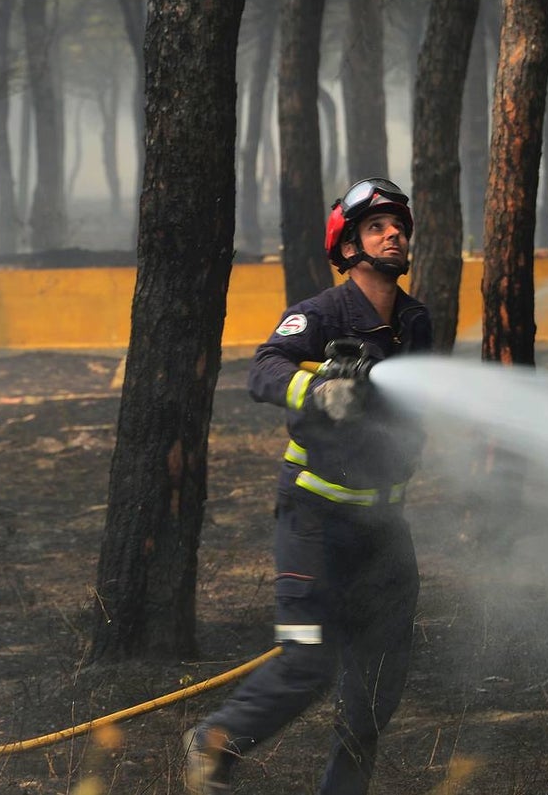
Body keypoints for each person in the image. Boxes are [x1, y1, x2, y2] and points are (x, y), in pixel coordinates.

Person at [182, 177, 432, 794]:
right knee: (308, 663)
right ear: (347, 247)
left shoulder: (415, 321)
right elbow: (264, 369)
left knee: (376, 691)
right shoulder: (320, 314)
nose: (394, 235)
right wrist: (319, 389)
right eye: (376, 227)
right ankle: (215, 742)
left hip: (384, 530)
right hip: (316, 522)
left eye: (398, 227)